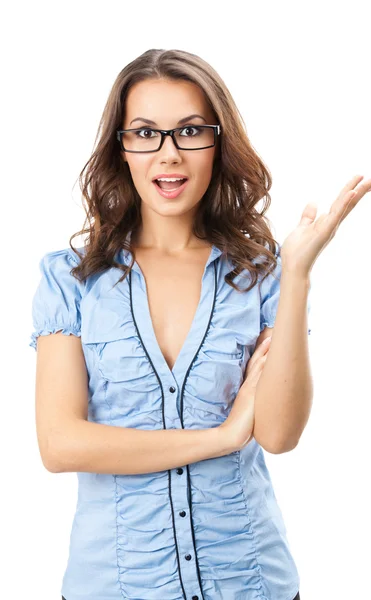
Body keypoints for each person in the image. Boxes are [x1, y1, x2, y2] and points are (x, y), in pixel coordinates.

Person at [30, 48, 320, 600]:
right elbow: (61, 444)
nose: (169, 155)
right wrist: (222, 437)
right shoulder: (70, 279)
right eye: (145, 133)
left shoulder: (263, 277)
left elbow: (280, 435)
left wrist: (299, 275)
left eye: (190, 131)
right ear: (121, 148)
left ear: (218, 143)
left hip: (248, 582)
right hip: (114, 587)